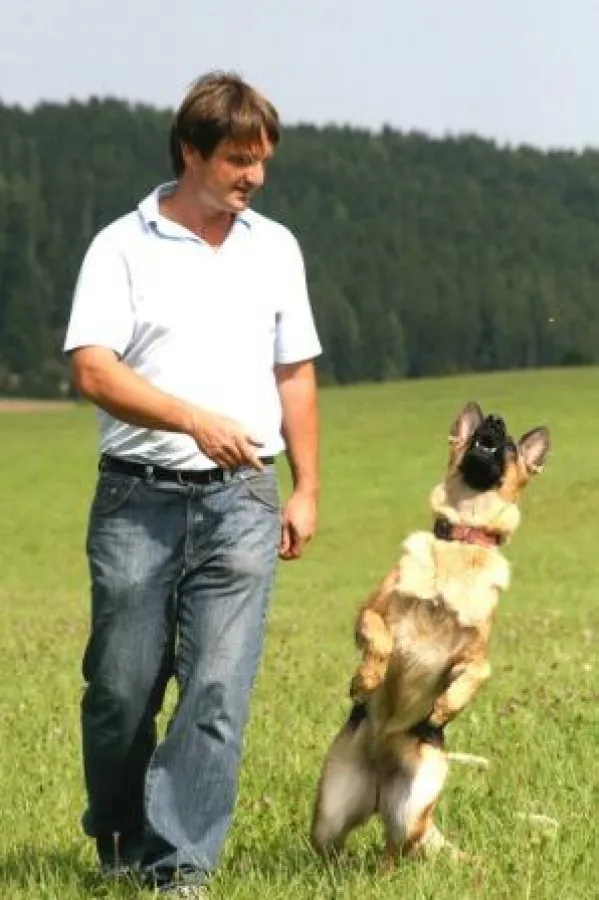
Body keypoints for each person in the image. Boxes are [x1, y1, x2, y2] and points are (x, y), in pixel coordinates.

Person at [63, 70, 321, 897]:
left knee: (216, 686)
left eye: (262, 162)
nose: (253, 176)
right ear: (190, 151)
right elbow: (94, 371)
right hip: (137, 497)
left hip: (241, 496)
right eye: (237, 160)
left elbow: (295, 371)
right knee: (120, 688)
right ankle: (119, 834)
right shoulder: (121, 245)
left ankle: (181, 867)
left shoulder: (275, 246)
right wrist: (189, 418)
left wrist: (306, 483)